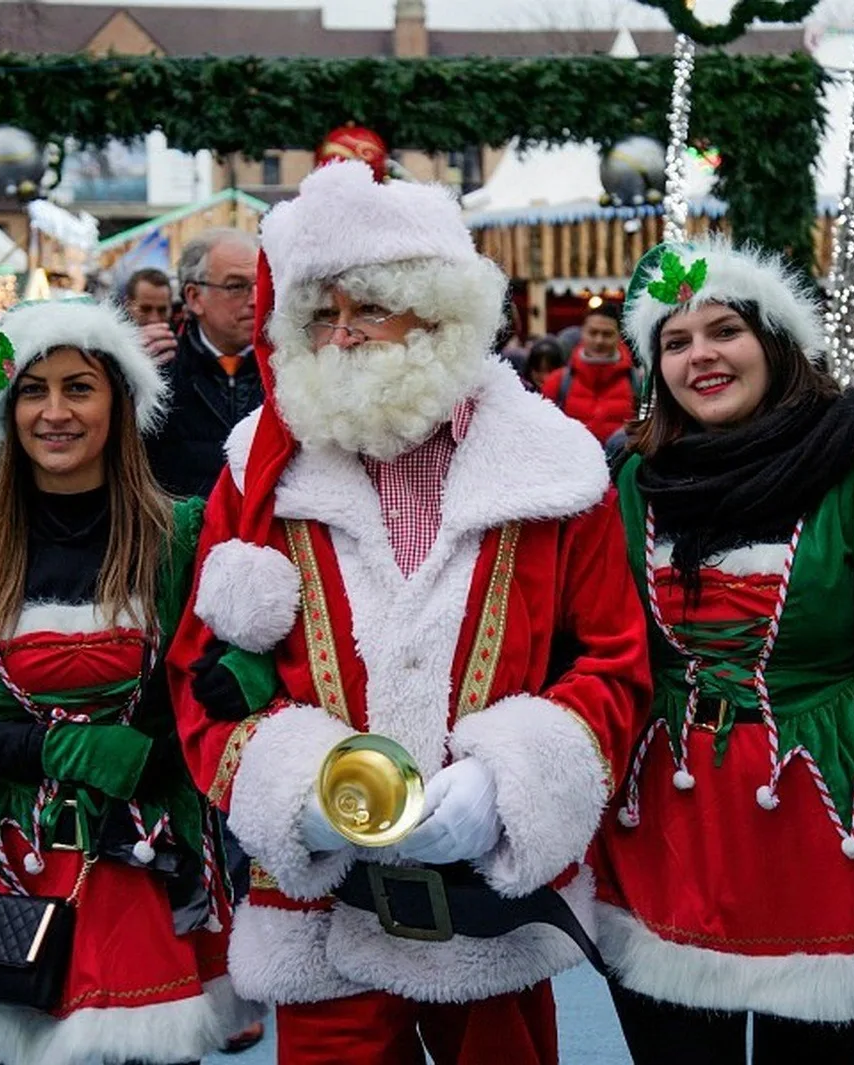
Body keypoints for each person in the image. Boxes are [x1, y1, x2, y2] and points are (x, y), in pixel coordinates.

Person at [167, 161, 650, 1064]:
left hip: (488, 914)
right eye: (320, 315)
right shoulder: (258, 469)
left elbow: (615, 664)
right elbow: (203, 672)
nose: (340, 337)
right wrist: (296, 789)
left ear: (441, 316)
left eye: (369, 310)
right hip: (323, 910)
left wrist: (506, 786)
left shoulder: (557, 468)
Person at [591, 241, 854, 1065]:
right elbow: (599, 658)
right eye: (675, 341)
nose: (701, 354)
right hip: (666, 836)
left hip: (824, 831)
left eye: (724, 331)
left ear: (777, 341)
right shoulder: (630, 478)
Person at [0, 299, 259, 1065]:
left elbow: (235, 680)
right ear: (6, 410)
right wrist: (59, 749)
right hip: (11, 870)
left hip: (151, 866)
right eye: (32, 390)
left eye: (78, 387)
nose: (55, 412)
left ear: (119, 402)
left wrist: (235, 679)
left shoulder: (185, 537)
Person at [144, 231, 264, 499]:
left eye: (262, 284)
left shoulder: (287, 371)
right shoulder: (156, 373)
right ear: (194, 297)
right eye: (236, 286)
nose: (256, 299)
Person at [542, 305, 637, 444]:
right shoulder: (557, 381)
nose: (599, 341)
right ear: (582, 333)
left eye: (607, 334)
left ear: (619, 337)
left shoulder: (637, 382)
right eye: (593, 333)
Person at [126, 267, 179, 365]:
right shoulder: (111, 349)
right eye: (145, 309)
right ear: (129, 306)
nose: (154, 319)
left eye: (162, 310)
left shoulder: (185, 349)